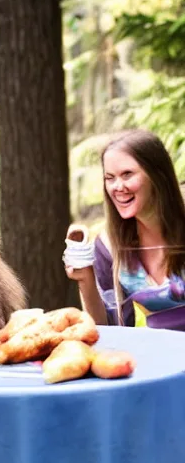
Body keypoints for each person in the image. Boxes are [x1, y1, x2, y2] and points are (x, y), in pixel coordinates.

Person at [64, 129, 185, 330]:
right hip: (161, 355)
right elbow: (109, 328)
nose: (118, 187)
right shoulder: (108, 247)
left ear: (157, 174)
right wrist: (85, 278)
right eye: (109, 178)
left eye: (127, 174)